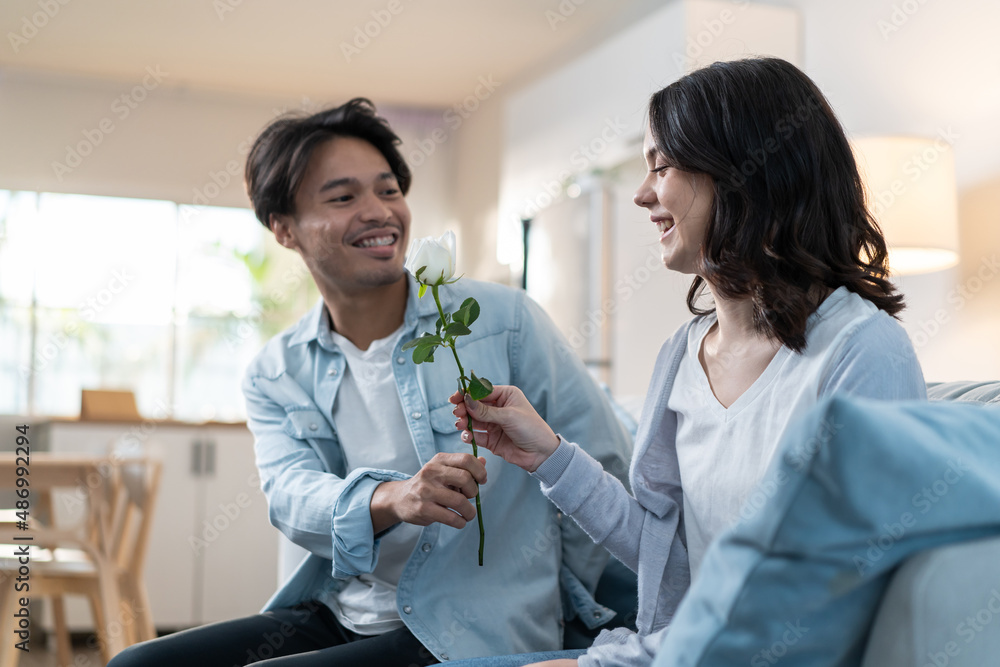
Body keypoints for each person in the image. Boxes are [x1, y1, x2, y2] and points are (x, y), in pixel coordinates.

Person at [108, 99, 632, 667]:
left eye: (388, 191)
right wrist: (392, 497)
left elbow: (603, 463)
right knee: (136, 665)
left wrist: (559, 605)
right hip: (339, 611)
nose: (379, 212)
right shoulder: (277, 369)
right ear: (284, 229)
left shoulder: (502, 320)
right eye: (343, 197)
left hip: (465, 626)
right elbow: (290, 494)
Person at [448, 57, 927, 667]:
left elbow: (834, 595)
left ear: (742, 172)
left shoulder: (862, 351)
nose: (644, 194)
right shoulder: (683, 353)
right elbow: (662, 549)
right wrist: (546, 454)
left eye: (662, 166)